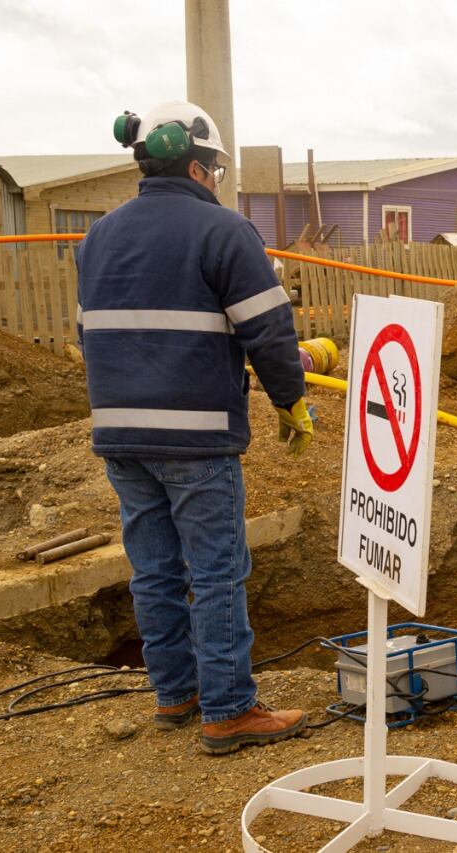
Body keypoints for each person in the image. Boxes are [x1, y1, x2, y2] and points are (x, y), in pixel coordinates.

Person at [76, 101, 315, 754]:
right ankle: (230, 710)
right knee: (214, 573)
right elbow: (266, 330)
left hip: (121, 439)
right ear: (196, 163)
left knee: (153, 570)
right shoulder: (224, 231)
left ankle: (176, 693)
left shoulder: (99, 236)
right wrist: (290, 402)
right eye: (214, 166)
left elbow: (85, 331)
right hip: (197, 438)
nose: (216, 177)